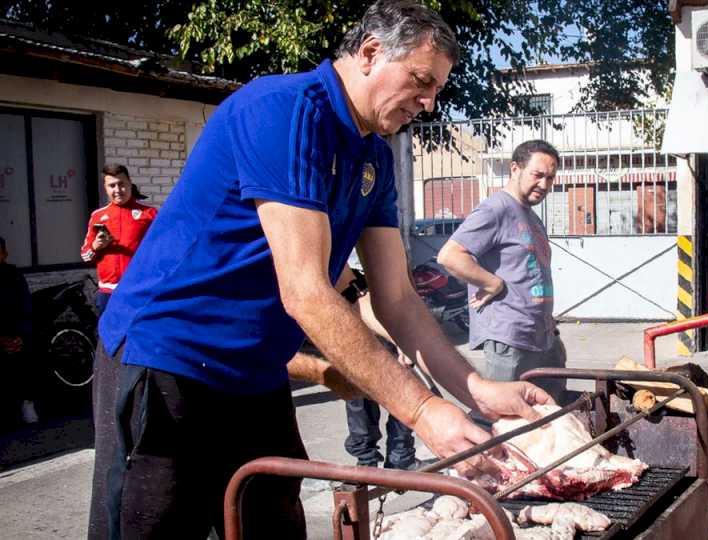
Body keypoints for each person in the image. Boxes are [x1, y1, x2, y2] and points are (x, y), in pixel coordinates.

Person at [87, 2, 552, 539]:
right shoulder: (283, 111)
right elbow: (306, 291)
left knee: (275, 527)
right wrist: (423, 411)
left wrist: (475, 390)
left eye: (436, 92)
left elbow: (395, 298)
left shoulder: (374, 157)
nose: (427, 104)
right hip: (166, 357)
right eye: (421, 82)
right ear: (372, 52)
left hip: (254, 374)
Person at [438, 140, 568, 405]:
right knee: (504, 422)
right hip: (510, 341)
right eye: (538, 175)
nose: (544, 184)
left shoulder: (531, 216)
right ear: (514, 169)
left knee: (549, 421)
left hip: (543, 337)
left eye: (551, 178)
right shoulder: (495, 209)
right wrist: (492, 283)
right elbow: (450, 256)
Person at [336, 266, 420, 470]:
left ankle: (400, 456)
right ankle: (367, 460)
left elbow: (401, 271)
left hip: (392, 307)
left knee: (403, 386)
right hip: (356, 312)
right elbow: (350, 288)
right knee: (361, 392)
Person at [80, 164, 157, 315]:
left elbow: (162, 251)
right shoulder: (98, 216)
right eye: (112, 185)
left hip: (139, 291)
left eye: (121, 184)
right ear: (105, 187)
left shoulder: (150, 214)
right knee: (109, 339)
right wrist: (96, 246)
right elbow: (85, 256)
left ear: (129, 182)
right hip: (108, 294)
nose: (117, 190)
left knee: (138, 338)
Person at [0, 236, 39, 427]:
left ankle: (27, 403)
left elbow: (25, 306)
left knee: (28, 356)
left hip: (16, 331)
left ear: (4, 254)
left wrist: (20, 336)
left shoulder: (14, 275)